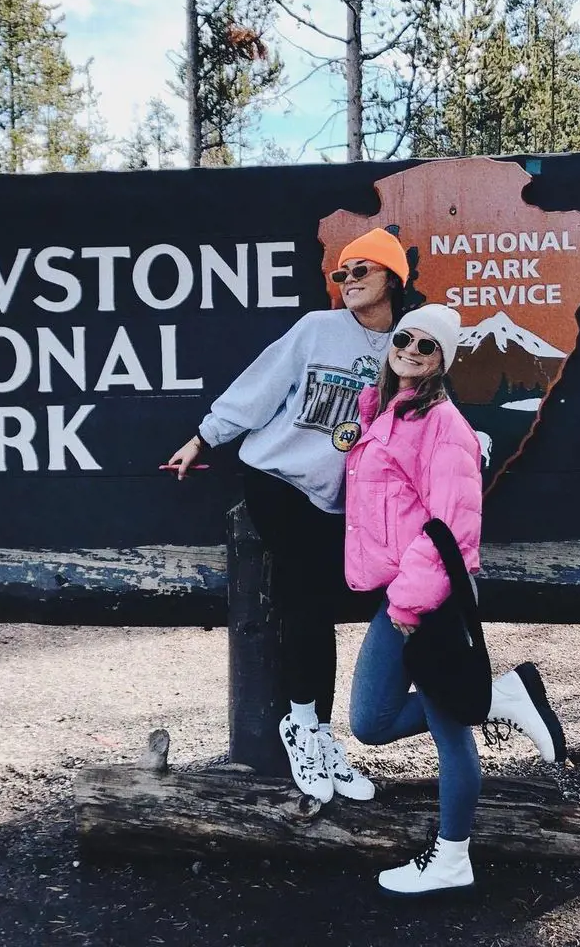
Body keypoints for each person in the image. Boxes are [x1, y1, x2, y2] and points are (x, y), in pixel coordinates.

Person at [165, 227, 410, 803]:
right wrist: (204, 436)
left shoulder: (406, 347)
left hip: (336, 500)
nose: (348, 282)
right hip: (276, 479)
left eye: (361, 271)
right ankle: (303, 726)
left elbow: (426, 416)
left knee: (319, 608)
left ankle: (318, 732)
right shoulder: (316, 330)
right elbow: (261, 387)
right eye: (342, 274)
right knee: (306, 601)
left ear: (393, 279)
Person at [344, 303, 567, 898]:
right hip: (405, 590)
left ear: (443, 360)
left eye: (429, 345)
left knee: (435, 726)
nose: (412, 349)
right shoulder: (387, 412)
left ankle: (452, 857)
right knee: (374, 721)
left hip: (427, 594)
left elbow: (454, 528)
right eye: (405, 338)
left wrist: (408, 608)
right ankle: (500, 696)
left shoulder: (443, 425)